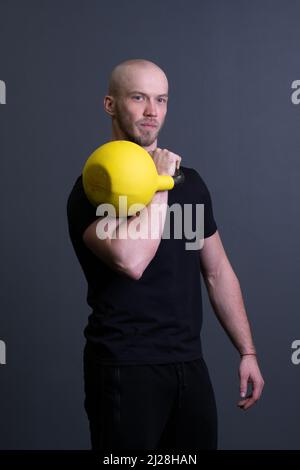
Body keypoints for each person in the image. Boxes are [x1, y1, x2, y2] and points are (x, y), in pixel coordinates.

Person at [67, 59, 264, 451]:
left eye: (161, 100)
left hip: (189, 365)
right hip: (124, 365)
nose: (152, 111)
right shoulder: (93, 188)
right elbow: (130, 260)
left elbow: (218, 271)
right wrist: (159, 184)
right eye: (138, 98)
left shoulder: (190, 185)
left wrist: (247, 351)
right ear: (110, 104)